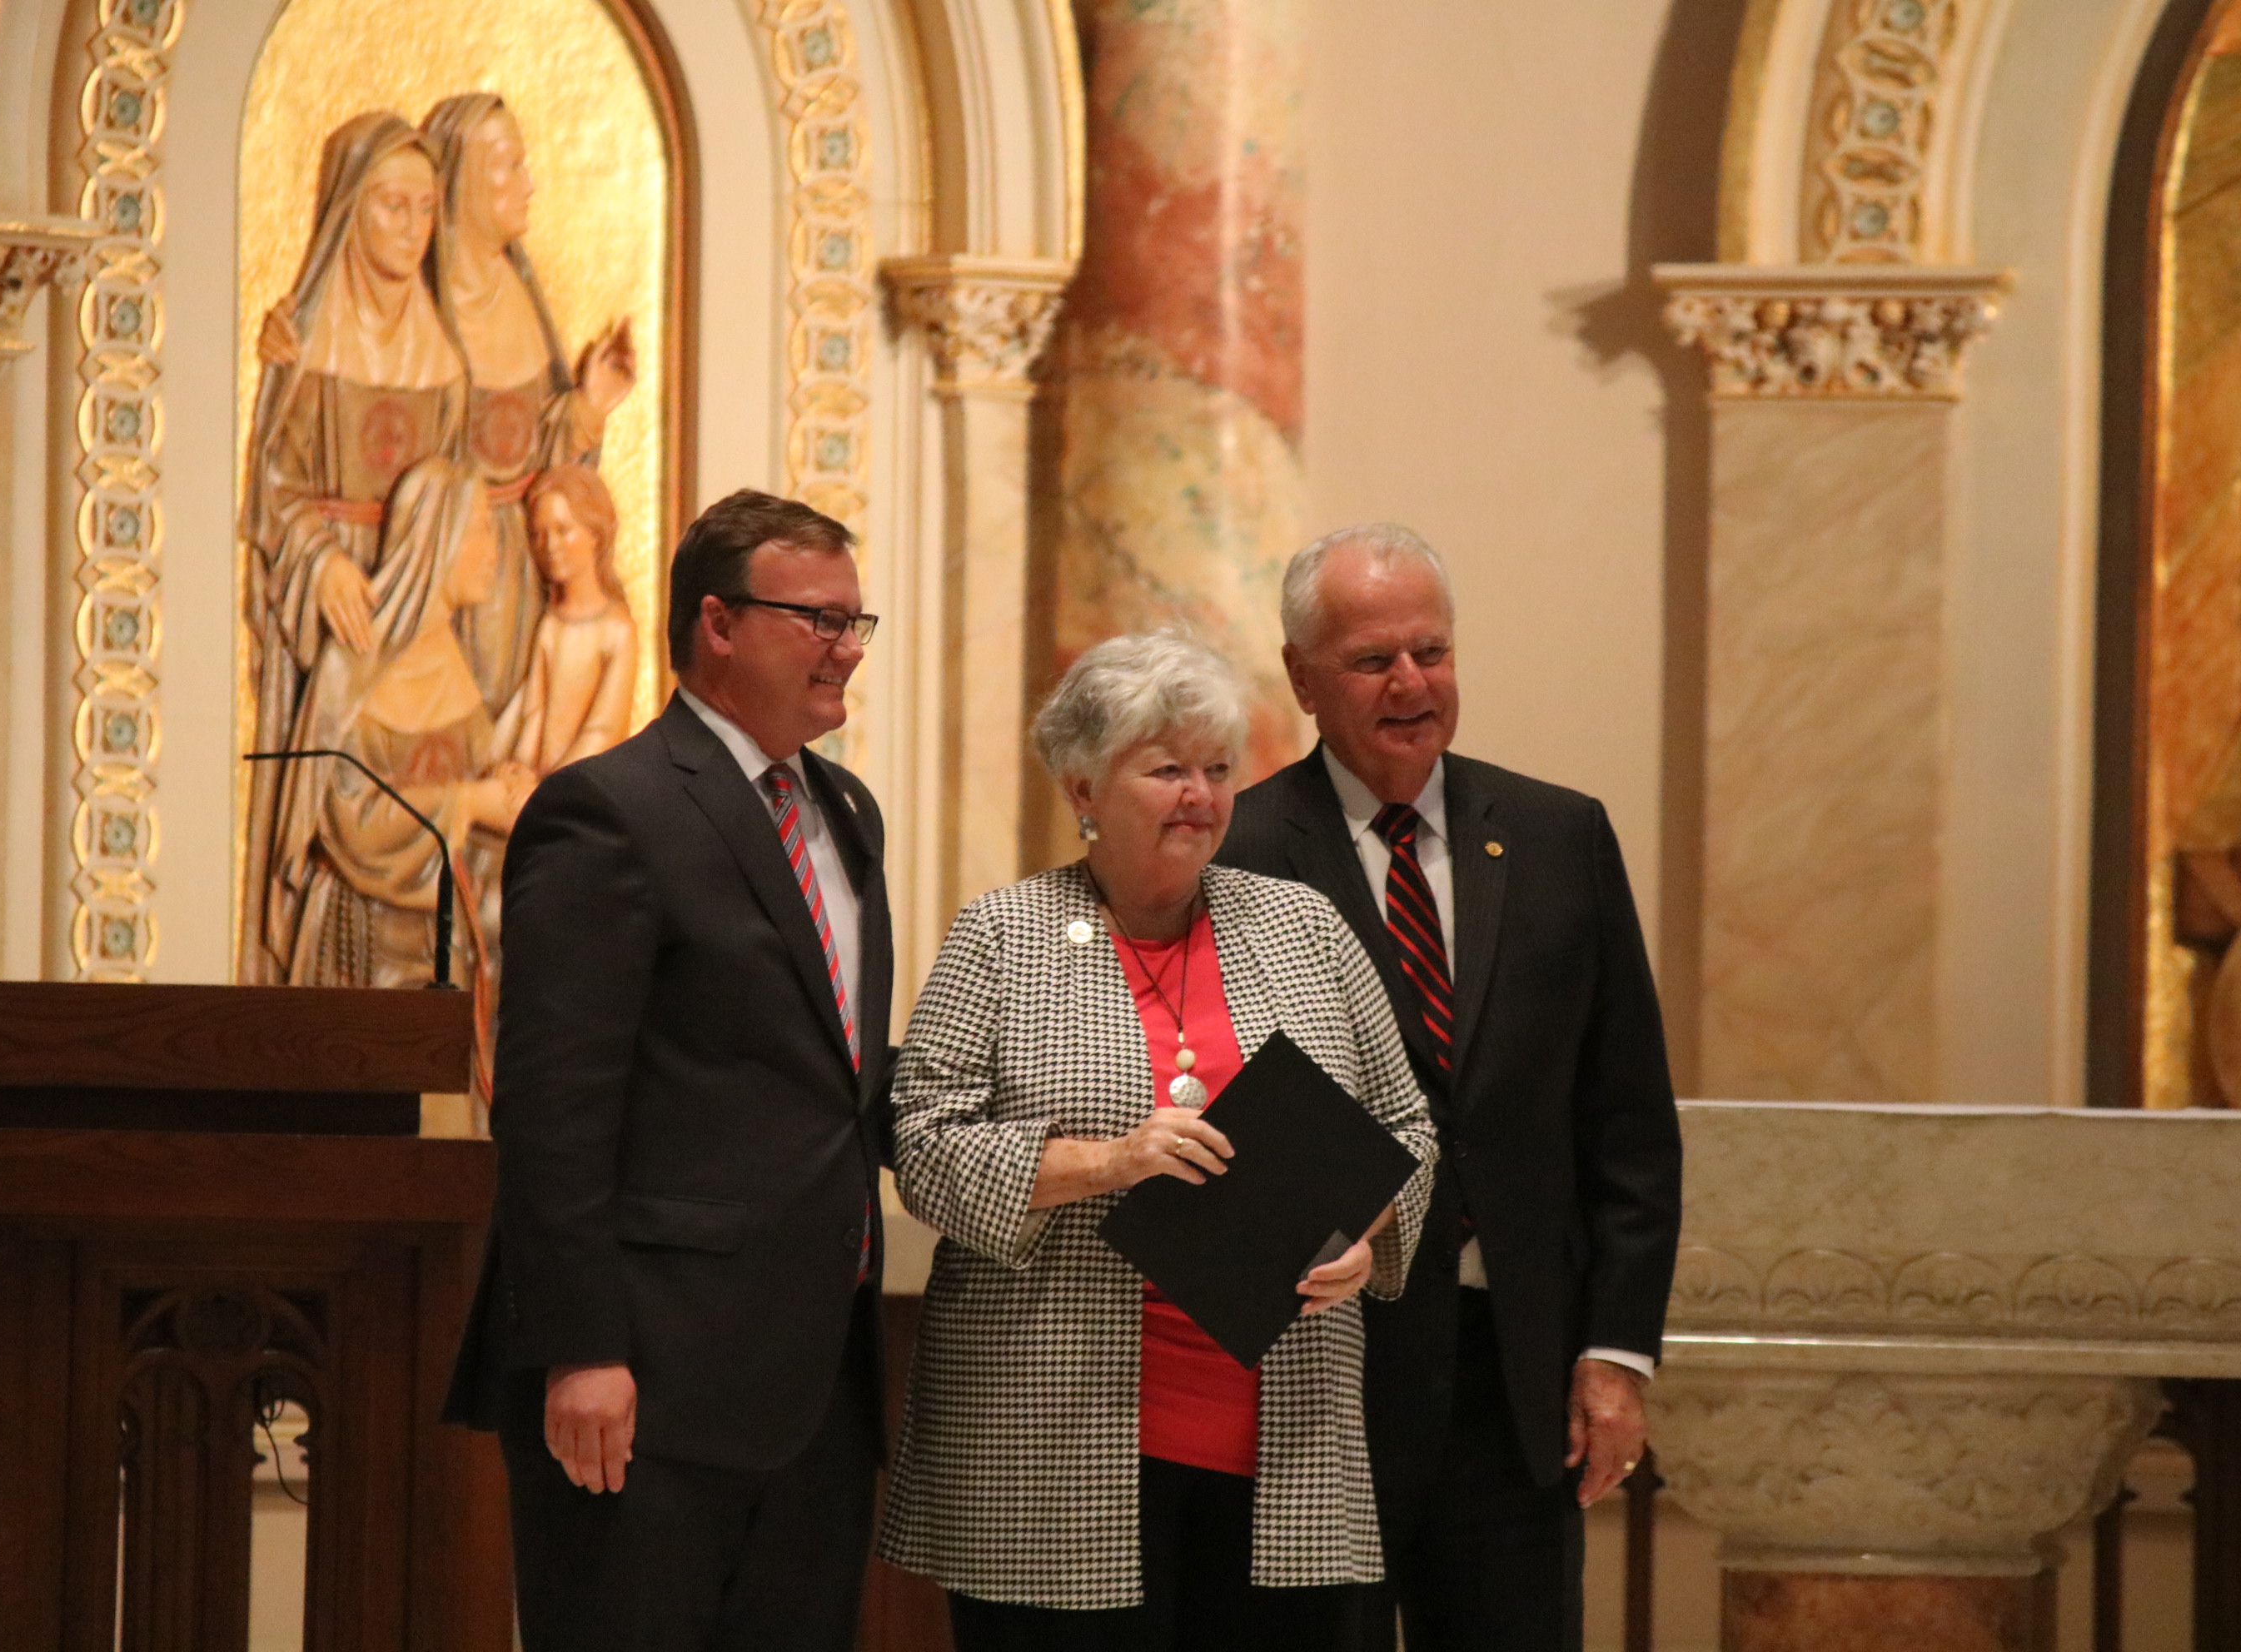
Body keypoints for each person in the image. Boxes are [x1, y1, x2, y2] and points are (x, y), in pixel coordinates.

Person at [878, 630, 1440, 1652]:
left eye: (1220, 770)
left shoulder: (1303, 927)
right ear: (1084, 784)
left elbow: (1405, 1124)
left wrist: (1364, 1232)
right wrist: (1114, 1159)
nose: (1202, 795)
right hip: (1049, 1450)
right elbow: (923, 1144)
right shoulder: (1003, 935)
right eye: (1167, 768)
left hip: (1288, 1447)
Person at [443, 489, 894, 1652]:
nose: (848, 649)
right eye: (821, 621)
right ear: (719, 624)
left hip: (817, 1377)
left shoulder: (845, 810)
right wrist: (582, 1348)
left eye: (858, 622)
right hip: (648, 1377)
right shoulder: (610, 811)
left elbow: (829, 1074)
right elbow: (552, 1108)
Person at [1216, 525, 1681, 1652]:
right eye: (1375, 661)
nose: (1414, 684)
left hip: (1515, 1381)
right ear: (1303, 678)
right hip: (1314, 1381)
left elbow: (1625, 1124)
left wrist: (1616, 1356)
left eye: (1433, 651)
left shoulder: (1559, 836)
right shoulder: (1238, 848)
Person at [241, 110, 467, 984]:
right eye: (391, 208)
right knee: (326, 794)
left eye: (425, 209)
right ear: (348, 209)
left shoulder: (442, 357)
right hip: (328, 599)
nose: (412, 230)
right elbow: (272, 482)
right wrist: (322, 559)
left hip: (414, 617)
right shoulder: (304, 342)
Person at [265, 455, 532, 988]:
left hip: (446, 938)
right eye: (482, 531)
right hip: (366, 942)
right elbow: (347, 817)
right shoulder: (356, 663)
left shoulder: (453, 654)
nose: (494, 555)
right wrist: (471, 804)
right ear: (440, 538)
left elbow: (465, 763)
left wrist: (504, 782)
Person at [421, 92, 637, 719]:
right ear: (462, 179)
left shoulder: (519, 290)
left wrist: (588, 408)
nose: (530, 183)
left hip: (530, 568)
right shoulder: (420, 308)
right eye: (510, 166)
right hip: (457, 575)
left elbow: (534, 452)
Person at [499, 461, 635, 774]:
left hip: (590, 783)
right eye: (538, 535)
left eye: (563, 531)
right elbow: (535, 713)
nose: (550, 547)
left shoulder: (617, 630)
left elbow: (603, 730)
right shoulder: (551, 625)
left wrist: (554, 783)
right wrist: (521, 765)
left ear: (595, 534)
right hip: (546, 783)